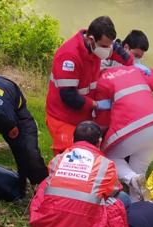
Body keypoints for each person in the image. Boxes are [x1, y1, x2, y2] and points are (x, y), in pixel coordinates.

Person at [29, 121, 130, 227]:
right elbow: (114, 189)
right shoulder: (105, 165)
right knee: (122, 199)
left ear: (73, 139)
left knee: (45, 187)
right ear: (99, 142)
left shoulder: (58, 159)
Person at [46, 16, 133, 155]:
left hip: (83, 115)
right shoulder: (70, 56)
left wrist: (134, 65)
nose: (107, 50)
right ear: (91, 39)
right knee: (70, 156)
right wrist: (96, 105)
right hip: (63, 116)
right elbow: (68, 96)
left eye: (108, 46)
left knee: (91, 154)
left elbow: (116, 50)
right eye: (104, 46)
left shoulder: (99, 45)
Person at [94, 64, 153, 201]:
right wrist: (143, 67)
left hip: (132, 127)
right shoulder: (133, 69)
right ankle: (138, 211)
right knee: (139, 172)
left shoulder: (102, 80)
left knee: (108, 157)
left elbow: (103, 120)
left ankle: (130, 178)